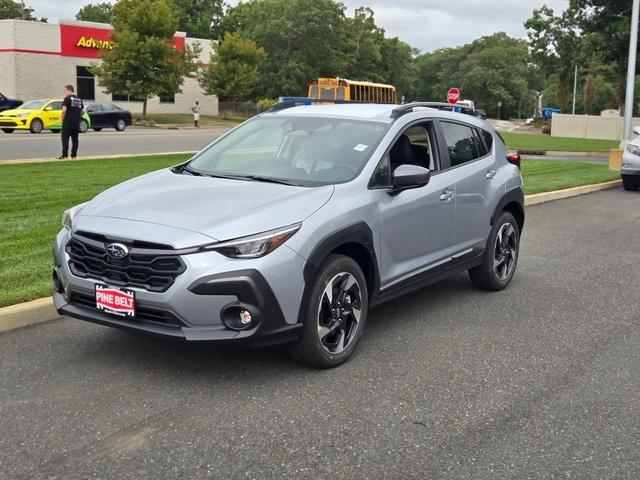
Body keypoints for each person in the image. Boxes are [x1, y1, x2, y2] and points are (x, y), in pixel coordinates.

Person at [57, 85, 84, 160]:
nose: (65, 92)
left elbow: (64, 110)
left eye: (65, 90)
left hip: (68, 122)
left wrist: (62, 118)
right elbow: (82, 111)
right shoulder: (79, 99)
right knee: (75, 140)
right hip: (76, 123)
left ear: (70, 90)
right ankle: (74, 156)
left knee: (65, 139)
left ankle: (65, 155)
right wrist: (77, 116)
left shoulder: (67, 99)